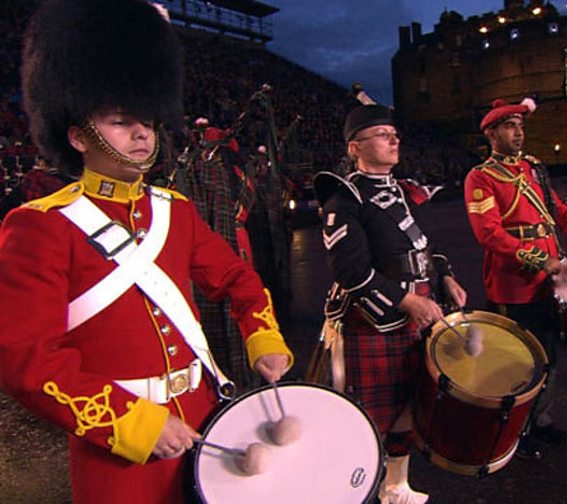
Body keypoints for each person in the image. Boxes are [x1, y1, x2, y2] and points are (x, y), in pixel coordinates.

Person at [0, 2, 293, 503]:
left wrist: (262, 337)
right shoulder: (39, 226)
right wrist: (129, 421)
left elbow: (238, 280)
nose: (142, 133)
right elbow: (24, 359)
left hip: (204, 418)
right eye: (119, 122)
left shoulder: (174, 212)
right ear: (77, 136)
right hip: (116, 443)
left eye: (148, 123)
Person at [313, 103, 467, 504]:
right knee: (365, 417)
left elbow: (421, 245)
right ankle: (351, 490)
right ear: (355, 147)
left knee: (407, 407)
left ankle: (395, 487)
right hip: (372, 319)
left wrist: (445, 274)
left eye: (394, 133)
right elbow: (351, 272)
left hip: (414, 312)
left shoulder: (400, 191)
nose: (394, 139)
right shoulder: (343, 199)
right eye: (382, 134)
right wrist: (405, 301)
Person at [464, 98, 567, 459]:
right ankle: (513, 433)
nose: (518, 132)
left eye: (520, 126)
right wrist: (541, 259)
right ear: (491, 133)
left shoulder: (533, 168)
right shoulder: (481, 177)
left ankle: (539, 420)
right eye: (510, 126)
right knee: (518, 363)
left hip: (547, 279)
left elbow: (558, 212)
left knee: (549, 356)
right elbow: (489, 234)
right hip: (514, 283)